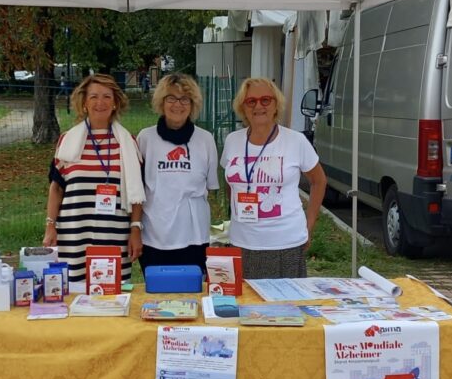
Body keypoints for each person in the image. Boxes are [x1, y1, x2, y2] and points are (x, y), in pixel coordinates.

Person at [43, 73, 145, 289]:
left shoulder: (128, 142)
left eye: (107, 96)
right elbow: (56, 188)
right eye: (94, 97)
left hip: (114, 234)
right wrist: (50, 226)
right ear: (84, 103)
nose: (101, 103)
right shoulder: (67, 140)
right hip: (74, 234)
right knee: (74, 293)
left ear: (116, 102)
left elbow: (137, 192)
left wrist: (136, 229)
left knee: (112, 295)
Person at [220, 77, 326, 279]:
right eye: (251, 101)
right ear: (243, 107)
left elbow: (318, 181)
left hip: (286, 242)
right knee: (247, 307)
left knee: (286, 307)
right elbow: (231, 183)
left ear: (276, 104)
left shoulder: (295, 141)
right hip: (242, 241)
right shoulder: (233, 140)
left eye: (266, 100)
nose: (258, 106)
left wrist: (309, 225)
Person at [137, 73, 218, 273]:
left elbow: (210, 186)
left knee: (192, 292)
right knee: (157, 295)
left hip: (194, 236)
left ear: (193, 104)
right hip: (155, 236)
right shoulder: (145, 139)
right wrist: (135, 227)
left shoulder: (206, 140)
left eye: (184, 99)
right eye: (171, 98)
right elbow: (137, 190)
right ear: (161, 102)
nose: (177, 105)